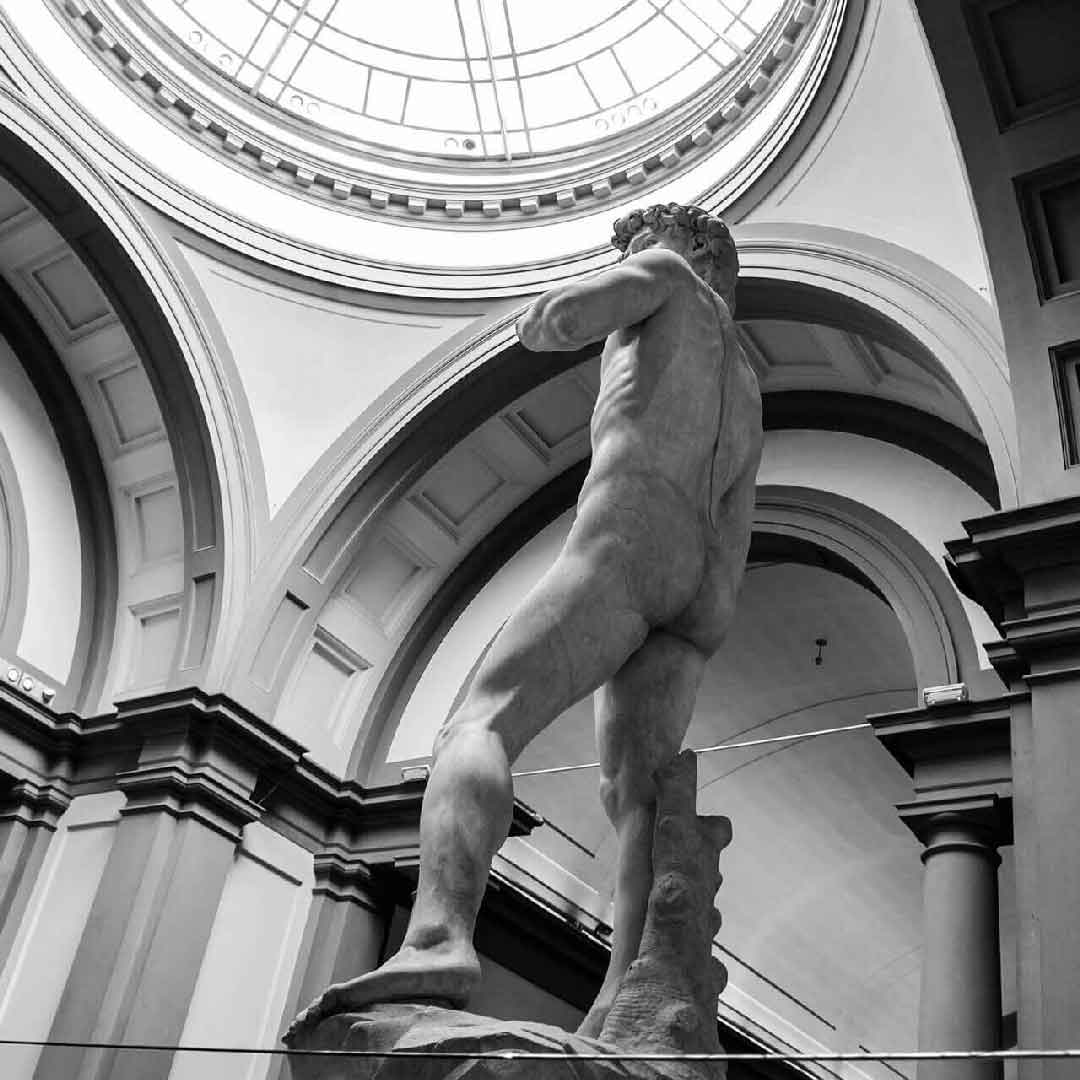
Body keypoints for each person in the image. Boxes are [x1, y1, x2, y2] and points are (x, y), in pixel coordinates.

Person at [285, 203, 762, 1043]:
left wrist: (554, 308)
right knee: (639, 794)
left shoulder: (667, 276)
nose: (631, 254)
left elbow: (560, 320)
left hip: (629, 537)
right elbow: (737, 512)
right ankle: (623, 997)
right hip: (702, 589)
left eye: (639, 242)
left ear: (692, 247)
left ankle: (438, 938)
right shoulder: (748, 380)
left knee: (478, 723)